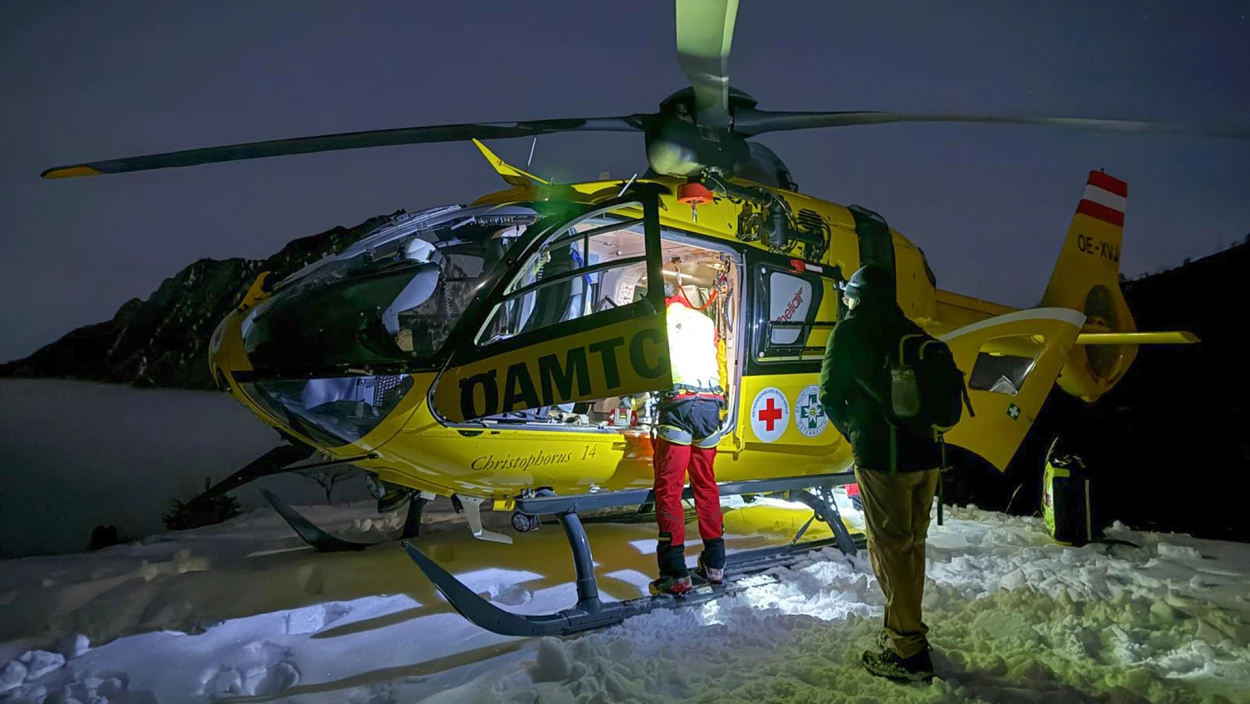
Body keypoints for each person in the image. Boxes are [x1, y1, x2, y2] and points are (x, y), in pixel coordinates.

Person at [819, 264, 941, 682]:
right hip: (926, 457)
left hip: (884, 459)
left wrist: (855, 433)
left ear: (856, 296)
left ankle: (909, 650)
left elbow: (828, 392)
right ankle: (903, 632)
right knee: (912, 548)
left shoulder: (851, 330)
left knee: (890, 551)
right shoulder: (910, 330)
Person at [649, 281, 726, 595]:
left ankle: (674, 572)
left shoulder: (661, 321)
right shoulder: (705, 321)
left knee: (669, 488)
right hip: (710, 406)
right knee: (705, 484)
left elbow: (650, 364)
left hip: (679, 404)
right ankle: (716, 563)